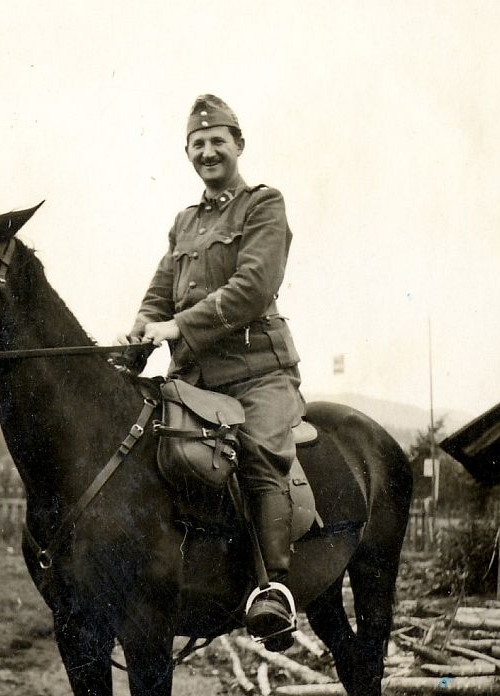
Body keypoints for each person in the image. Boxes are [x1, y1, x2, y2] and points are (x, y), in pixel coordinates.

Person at [118, 94, 304, 652]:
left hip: (258, 373)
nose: (207, 152)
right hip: (194, 381)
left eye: (217, 141)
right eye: (197, 144)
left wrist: (176, 327)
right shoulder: (184, 222)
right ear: (188, 153)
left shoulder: (263, 205)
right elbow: (158, 296)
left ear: (238, 144)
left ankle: (273, 590)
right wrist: (137, 336)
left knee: (259, 451)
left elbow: (252, 288)